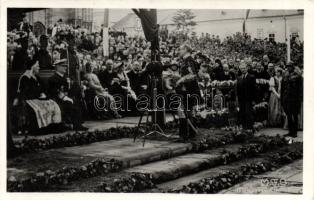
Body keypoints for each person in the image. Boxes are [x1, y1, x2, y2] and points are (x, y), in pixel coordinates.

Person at [13, 59, 61, 133]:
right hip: (29, 100)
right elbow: (25, 92)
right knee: (39, 109)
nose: (39, 68)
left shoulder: (37, 77)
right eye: (37, 66)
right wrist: (38, 94)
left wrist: (44, 94)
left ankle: (52, 126)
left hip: (39, 99)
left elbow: (44, 88)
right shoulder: (25, 78)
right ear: (32, 67)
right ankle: (42, 128)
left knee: (53, 104)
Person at [47, 59, 88, 131]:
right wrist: (65, 97)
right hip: (58, 99)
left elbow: (69, 89)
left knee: (78, 100)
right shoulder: (53, 78)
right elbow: (54, 92)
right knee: (71, 102)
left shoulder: (65, 78)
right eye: (63, 66)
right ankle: (76, 125)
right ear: (58, 67)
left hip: (67, 97)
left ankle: (78, 123)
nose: (65, 67)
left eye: (65, 66)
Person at [176, 44, 200, 140]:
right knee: (183, 111)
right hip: (185, 89)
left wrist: (181, 80)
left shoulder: (189, 60)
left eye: (180, 49)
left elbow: (193, 75)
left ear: (186, 49)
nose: (179, 51)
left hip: (189, 89)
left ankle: (188, 134)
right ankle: (186, 134)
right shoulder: (185, 60)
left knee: (187, 112)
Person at [280, 62, 303, 138]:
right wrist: (282, 98)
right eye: (287, 66)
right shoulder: (285, 75)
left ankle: (295, 132)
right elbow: (283, 88)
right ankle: (290, 131)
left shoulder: (298, 76)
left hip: (294, 99)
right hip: (286, 98)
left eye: (290, 66)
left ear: (293, 67)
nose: (288, 68)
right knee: (289, 116)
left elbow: (300, 89)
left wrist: (300, 99)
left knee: (295, 116)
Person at [236, 61, 256, 133]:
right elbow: (237, 90)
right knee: (242, 113)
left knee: (249, 113)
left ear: (247, 69)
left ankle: (250, 128)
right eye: (241, 69)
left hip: (249, 99)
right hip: (241, 99)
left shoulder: (251, 77)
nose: (243, 70)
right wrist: (237, 99)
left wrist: (253, 99)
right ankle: (244, 128)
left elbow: (254, 89)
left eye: (244, 68)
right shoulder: (239, 78)